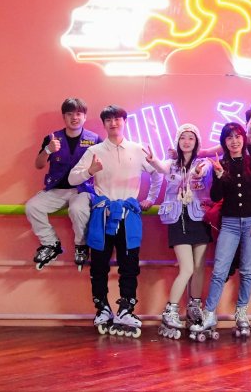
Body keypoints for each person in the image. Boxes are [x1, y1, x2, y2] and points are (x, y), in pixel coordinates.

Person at [68, 105, 162, 338]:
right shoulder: (95, 151)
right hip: (103, 214)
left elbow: (157, 173)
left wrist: (150, 199)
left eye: (117, 119)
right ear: (104, 124)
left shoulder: (138, 149)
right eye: (108, 120)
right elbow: (72, 178)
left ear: (124, 121)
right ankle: (102, 308)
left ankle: (126, 309)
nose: (113, 123)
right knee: (99, 264)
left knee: (129, 264)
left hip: (129, 214)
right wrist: (90, 171)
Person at [196, 122, 251, 339]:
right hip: (229, 224)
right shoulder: (222, 164)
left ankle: (241, 314)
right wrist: (219, 175)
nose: (234, 141)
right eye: (229, 137)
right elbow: (216, 197)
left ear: (243, 138)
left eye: (237, 136)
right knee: (219, 271)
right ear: (224, 142)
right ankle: (209, 314)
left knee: (247, 271)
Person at [145, 124, 214, 340]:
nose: (186, 141)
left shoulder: (203, 162)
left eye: (191, 138)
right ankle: (171, 311)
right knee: (187, 268)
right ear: (178, 141)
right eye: (183, 137)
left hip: (199, 218)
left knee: (199, 267)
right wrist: (153, 160)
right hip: (177, 219)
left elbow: (204, 170)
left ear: (196, 142)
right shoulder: (172, 164)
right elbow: (161, 167)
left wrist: (199, 172)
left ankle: (194, 308)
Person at [200, 106, 251, 284]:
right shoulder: (234, 140)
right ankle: (230, 257)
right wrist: (182, 152)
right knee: (213, 215)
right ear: (246, 123)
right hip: (233, 194)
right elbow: (207, 152)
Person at [25, 98, 101, 270]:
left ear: (85, 117)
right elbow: (39, 165)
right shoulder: (52, 138)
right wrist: (48, 150)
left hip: (82, 190)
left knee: (78, 210)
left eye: (78, 114)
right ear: (64, 117)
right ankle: (51, 243)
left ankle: (81, 246)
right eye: (69, 114)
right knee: (32, 207)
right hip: (56, 189)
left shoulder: (95, 139)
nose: (74, 117)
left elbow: (106, 165)